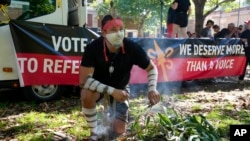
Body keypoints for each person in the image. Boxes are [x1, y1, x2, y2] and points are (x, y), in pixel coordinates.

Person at [79, 14, 160, 140]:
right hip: (98, 89)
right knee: (86, 94)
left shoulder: (132, 47)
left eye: (121, 29)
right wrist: (112, 91)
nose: (118, 33)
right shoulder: (93, 47)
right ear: (104, 32)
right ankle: (94, 132)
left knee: (119, 131)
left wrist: (152, 88)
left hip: (121, 88)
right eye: (113, 30)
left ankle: (110, 119)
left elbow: (151, 68)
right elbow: (84, 81)